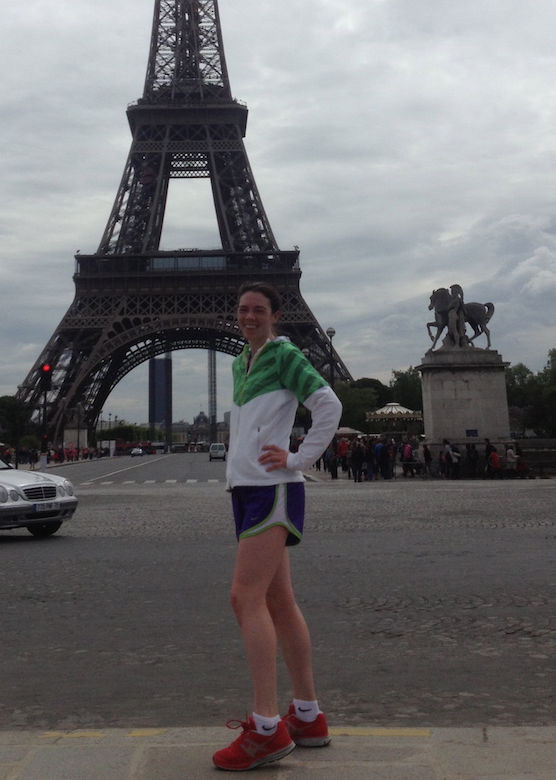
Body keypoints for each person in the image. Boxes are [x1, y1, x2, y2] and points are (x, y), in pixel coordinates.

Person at [213, 282, 342, 771]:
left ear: (275, 314)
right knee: (277, 600)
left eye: (258, 310)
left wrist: (298, 457)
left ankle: (266, 727)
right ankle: (307, 714)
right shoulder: (240, 360)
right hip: (248, 488)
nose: (248, 316)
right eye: (243, 309)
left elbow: (328, 405)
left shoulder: (285, 355)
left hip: (272, 489)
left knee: (243, 598)